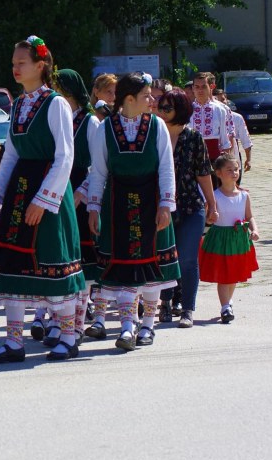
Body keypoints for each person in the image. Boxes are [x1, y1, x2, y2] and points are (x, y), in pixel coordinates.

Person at [0, 35, 86, 363]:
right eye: (13, 63)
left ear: (41, 65)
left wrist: (43, 200)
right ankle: (14, 343)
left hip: (48, 193)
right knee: (13, 267)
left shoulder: (55, 103)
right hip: (19, 191)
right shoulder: (17, 104)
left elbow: (65, 156)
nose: (15, 68)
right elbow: (11, 155)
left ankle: (68, 336)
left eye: (21, 63)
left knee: (55, 264)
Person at [86, 72, 180, 351]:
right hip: (117, 203)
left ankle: (148, 325)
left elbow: (166, 167)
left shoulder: (157, 127)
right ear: (129, 99)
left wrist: (166, 204)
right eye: (146, 96)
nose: (152, 100)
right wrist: (93, 207)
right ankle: (128, 327)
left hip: (151, 202)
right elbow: (99, 171)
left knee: (152, 267)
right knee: (124, 268)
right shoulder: (105, 128)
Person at [153, 89, 217, 327]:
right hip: (160, 207)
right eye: (161, 107)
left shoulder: (193, 137)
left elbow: (203, 172)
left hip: (191, 205)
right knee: (164, 257)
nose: (161, 111)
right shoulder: (154, 135)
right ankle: (166, 303)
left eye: (167, 108)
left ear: (180, 110)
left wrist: (212, 203)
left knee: (188, 259)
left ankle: (188, 308)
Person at [54, 69, 101, 345]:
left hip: (78, 196)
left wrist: (81, 195)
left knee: (82, 265)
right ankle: (57, 323)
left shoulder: (90, 122)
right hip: (57, 193)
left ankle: (78, 322)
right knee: (58, 261)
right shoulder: (57, 118)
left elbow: (97, 166)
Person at [199, 155, 259, 324]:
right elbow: (207, 218)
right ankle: (225, 306)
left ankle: (228, 302)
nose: (234, 173)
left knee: (233, 274)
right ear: (218, 173)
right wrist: (210, 218)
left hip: (238, 239)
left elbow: (249, 216)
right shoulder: (215, 196)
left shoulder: (244, 195)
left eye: (236, 169)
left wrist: (255, 229)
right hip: (220, 238)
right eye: (229, 170)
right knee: (224, 275)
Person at [190, 72, 231, 163]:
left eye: (204, 87)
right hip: (192, 156)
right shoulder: (187, 110)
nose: (200, 90)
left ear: (210, 87)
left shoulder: (219, 109)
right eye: (197, 87)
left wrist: (226, 161)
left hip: (214, 157)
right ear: (193, 88)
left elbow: (225, 137)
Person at [214, 88, 253, 184]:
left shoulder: (236, 118)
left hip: (233, 158)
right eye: (217, 100)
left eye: (223, 99)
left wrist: (248, 159)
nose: (221, 102)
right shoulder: (211, 117)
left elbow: (246, 140)